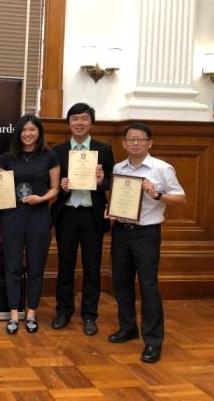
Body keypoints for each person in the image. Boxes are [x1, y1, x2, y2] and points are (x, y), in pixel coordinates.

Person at [108, 123, 186, 363]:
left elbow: (181, 199)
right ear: (124, 144)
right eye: (131, 139)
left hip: (147, 234)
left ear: (149, 143)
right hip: (121, 231)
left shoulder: (162, 168)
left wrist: (157, 194)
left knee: (148, 286)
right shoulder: (118, 168)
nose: (135, 143)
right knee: (121, 283)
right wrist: (110, 209)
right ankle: (128, 328)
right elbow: (118, 197)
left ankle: (153, 341)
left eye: (140, 139)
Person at [0, 115, 60, 335]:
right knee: (13, 266)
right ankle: (14, 314)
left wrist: (41, 198)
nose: (28, 133)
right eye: (24, 129)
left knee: (36, 267)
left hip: (39, 216)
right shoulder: (7, 158)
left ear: (39, 132)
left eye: (32, 129)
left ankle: (32, 313)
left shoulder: (50, 156)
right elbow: (1, 190)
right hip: (12, 216)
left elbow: (55, 188)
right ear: (18, 133)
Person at [50, 103, 115, 336]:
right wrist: (62, 187)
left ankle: (89, 315)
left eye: (84, 118)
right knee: (65, 265)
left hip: (92, 214)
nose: (79, 123)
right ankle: (63, 312)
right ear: (68, 124)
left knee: (92, 266)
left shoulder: (104, 149)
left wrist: (101, 181)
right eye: (75, 118)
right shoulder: (57, 151)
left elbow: (112, 182)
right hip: (66, 214)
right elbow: (50, 184)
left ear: (91, 123)